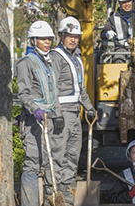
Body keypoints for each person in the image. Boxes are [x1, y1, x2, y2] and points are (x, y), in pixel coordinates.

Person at [16, 21, 65, 206]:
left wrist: (58, 113)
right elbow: (24, 93)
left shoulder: (49, 62)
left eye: (49, 39)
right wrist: (34, 108)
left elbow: (54, 92)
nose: (47, 42)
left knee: (46, 162)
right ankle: (30, 203)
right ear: (33, 40)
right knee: (33, 162)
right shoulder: (26, 63)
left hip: (50, 119)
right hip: (33, 121)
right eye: (43, 39)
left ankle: (44, 200)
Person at [49, 16, 96, 205]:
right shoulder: (55, 57)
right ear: (61, 36)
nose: (74, 39)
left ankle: (67, 188)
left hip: (75, 113)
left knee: (73, 154)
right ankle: (53, 190)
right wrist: (56, 113)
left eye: (76, 36)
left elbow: (80, 89)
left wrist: (90, 108)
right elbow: (51, 88)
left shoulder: (77, 57)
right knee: (58, 153)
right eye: (70, 36)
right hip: (61, 114)